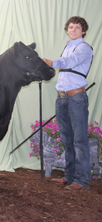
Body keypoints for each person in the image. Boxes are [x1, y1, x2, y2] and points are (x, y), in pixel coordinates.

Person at [43, 16, 93, 190]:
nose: (73, 30)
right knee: (67, 139)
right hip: (62, 97)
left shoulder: (84, 48)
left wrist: (51, 62)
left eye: (77, 27)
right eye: (70, 27)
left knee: (79, 140)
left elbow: (70, 63)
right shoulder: (68, 47)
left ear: (83, 31)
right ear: (67, 30)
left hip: (76, 98)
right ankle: (69, 176)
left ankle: (82, 180)